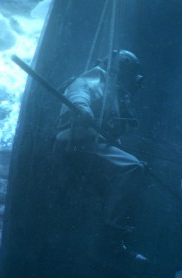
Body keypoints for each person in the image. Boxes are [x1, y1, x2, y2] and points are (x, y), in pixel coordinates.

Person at [53, 49, 146, 231]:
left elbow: (113, 134)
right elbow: (79, 93)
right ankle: (114, 229)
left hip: (92, 142)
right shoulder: (92, 80)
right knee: (132, 167)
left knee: (132, 169)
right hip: (78, 138)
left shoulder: (113, 91)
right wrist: (83, 108)